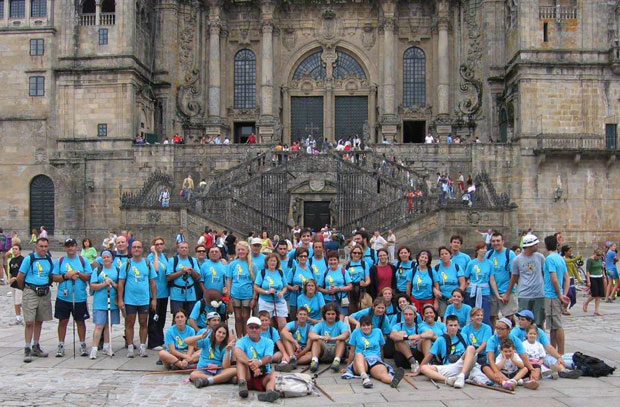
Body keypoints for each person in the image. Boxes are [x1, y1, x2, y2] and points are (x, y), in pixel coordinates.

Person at [417, 315, 488, 388]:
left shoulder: (464, 336)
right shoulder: (440, 339)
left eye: (455, 325)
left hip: (464, 363)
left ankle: (461, 376)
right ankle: (448, 380)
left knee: (471, 348)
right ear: (446, 326)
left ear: (458, 326)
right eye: (451, 325)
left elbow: (470, 352)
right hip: (451, 367)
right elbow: (429, 356)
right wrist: (418, 371)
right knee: (424, 368)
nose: (453, 328)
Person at [52, 238, 93, 357]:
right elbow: (54, 277)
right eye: (68, 246)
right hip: (63, 297)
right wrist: (66, 276)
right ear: (65, 248)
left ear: (76, 247)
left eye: (72, 245)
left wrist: (78, 274)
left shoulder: (83, 260)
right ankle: (61, 344)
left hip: (79, 296)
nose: (70, 248)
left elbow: (88, 276)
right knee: (63, 321)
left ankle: (82, 344)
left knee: (80, 321)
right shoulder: (60, 261)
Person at [510, 309, 581, 379]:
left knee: (550, 358)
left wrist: (558, 357)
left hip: (538, 355)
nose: (519, 321)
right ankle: (549, 374)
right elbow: (510, 343)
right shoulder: (516, 330)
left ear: (530, 321)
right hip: (524, 356)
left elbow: (548, 346)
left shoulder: (538, 331)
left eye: (522, 320)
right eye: (519, 319)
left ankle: (563, 371)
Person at [118, 240, 157, 358]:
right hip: (130, 299)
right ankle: (130, 347)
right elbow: (121, 283)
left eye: (139, 247)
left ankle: (142, 347)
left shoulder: (147, 263)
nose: (136, 249)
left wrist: (154, 299)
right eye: (134, 247)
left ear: (142, 249)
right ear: (131, 249)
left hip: (144, 299)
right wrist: (120, 299)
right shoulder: (126, 264)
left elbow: (153, 283)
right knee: (129, 323)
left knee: (143, 322)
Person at [344, 316, 405, 389]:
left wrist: (383, 362)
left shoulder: (378, 332)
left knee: (383, 374)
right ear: (360, 326)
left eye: (368, 325)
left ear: (371, 325)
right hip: (361, 361)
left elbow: (381, 349)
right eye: (363, 325)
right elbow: (352, 351)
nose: (366, 327)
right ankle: (365, 378)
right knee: (359, 355)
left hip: (375, 360)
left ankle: (392, 380)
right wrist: (347, 367)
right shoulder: (356, 332)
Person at [17, 237, 53, 362]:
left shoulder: (48, 259)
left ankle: (36, 345)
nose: (43, 249)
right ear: (36, 247)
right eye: (41, 246)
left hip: (44, 292)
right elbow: (20, 277)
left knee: (39, 320)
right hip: (31, 290)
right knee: (29, 321)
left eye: (45, 246)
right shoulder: (29, 258)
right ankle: (27, 347)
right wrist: (26, 290)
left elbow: (51, 275)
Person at [482, 317, 539, 386]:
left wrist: (532, 370)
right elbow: (490, 359)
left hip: (513, 368)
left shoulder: (515, 339)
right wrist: (496, 371)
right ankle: (504, 383)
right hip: (497, 367)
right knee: (485, 368)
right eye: (497, 328)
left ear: (508, 330)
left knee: (535, 366)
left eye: (502, 329)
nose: (498, 331)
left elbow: (524, 357)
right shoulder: (492, 340)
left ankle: (532, 381)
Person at [504, 234, 546, 326]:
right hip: (524, 294)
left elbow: (544, 274)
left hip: (539, 294)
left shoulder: (540, 257)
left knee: (539, 322)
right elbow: (514, 277)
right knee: (524, 322)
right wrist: (507, 294)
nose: (537, 246)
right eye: (535, 244)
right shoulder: (517, 260)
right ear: (529, 246)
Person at [234, 316, 280, 403]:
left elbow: (269, 357)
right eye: (251, 327)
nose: (254, 330)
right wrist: (253, 366)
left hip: (263, 374)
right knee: (240, 359)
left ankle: (269, 392)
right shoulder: (242, 341)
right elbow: (237, 351)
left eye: (256, 327)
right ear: (247, 329)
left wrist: (258, 363)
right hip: (247, 374)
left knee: (275, 374)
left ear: (261, 329)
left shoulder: (268, 341)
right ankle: (242, 382)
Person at [89, 250, 120, 358]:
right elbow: (93, 285)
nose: (106, 259)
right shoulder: (98, 270)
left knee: (109, 325)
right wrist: (103, 284)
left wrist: (112, 283)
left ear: (112, 259)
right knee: (99, 325)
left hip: (112, 301)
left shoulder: (116, 270)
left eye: (108, 257)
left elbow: (119, 286)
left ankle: (107, 346)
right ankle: (94, 348)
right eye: (104, 257)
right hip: (100, 302)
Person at [188, 322, 237, 388]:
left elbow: (226, 367)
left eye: (224, 333)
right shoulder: (206, 341)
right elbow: (187, 341)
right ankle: (221, 379)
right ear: (215, 332)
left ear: (226, 336)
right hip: (204, 370)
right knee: (193, 375)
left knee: (234, 370)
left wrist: (227, 351)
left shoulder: (226, 346)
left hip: (218, 370)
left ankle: (208, 381)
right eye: (219, 332)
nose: (221, 335)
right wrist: (200, 337)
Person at [543, 235, 570, 354]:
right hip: (557, 294)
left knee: (557, 325)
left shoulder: (549, 259)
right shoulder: (560, 258)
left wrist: (559, 295)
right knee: (553, 326)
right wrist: (565, 293)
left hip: (551, 295)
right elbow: (567, 278)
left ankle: (561, 353)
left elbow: (554, 279)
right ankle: (553, 351)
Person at [308, 303, 350, 372]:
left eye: (333, 314)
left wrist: (332, 338)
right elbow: (311, 335)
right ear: (325, 315)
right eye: (328, 314)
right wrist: (322, 337)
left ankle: (336, 361)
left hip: (336, 349)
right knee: (316, 340)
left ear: (336, 315)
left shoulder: (340, 324)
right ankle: (314, 361)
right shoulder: (321, 324)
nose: (330, 316)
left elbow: (346, 334)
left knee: (341, 340)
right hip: (324, 350)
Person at [487, 232, 517, 327]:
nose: (496, 243)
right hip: (492, 292)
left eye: (498, 241)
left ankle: (510, 339)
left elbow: (514, 275)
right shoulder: (489, 254)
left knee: (508, 318)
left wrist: (508, 293)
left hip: (506, 291)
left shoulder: (510, 254)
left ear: (503, 241)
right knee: (492, 317)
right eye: (493, 241)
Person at [464, 242, 498, 326]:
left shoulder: (490, 263)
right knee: (471, 315)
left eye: (485, 248)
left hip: (484, 292)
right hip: (471, 291)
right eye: (482, 248)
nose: (484, 250)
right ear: (477, 251)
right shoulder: (471, 263)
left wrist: (497, 294)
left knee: (485, 317)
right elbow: (466, 277)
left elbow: (492, 279)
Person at [226, 241, 256, 337]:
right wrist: (228, 294)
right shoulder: (233, 264)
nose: (241, 252)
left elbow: (255, 283)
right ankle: (239, 337)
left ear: (247, 251)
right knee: (237, 317)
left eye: (243, 249)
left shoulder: (252, 265)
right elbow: (229, 280)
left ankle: (246, 336)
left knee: (245, 316)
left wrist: (254, 297)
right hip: (235, 293)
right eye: (239, 250)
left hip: (247, 294)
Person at [390, 304, 430, 373]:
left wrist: (419, 337)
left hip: (417, 354)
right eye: (406, 314)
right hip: (403, 358)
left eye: (410, 314)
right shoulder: (399, 325)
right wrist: (408, 337)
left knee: (426, 339)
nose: (408, 317)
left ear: (415, 316)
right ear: (403, 315)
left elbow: (431, 333)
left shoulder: (420, 326)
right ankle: (413, 362)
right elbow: (392, 335)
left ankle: (427, 363)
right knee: (400, 337)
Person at [166, 241, 202, 316]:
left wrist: (191, 270)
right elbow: (168, 277)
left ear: (188, 249)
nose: (184, 249)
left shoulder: (193, 260)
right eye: (182, 247)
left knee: (191, 316)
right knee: (177, 316)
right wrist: (181, 272)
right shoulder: (173, 260)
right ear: (178, 249)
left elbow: (198, 277)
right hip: (176, 294)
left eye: (186, 247)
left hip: (191, 294)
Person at [254, 253, 288, 329]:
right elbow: (256, 287)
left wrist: (282, 292)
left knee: (283, 324)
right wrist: (267, 292)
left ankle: (282, 339)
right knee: (268, 324)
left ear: (277, 262)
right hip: (265, 301)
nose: (273, 263)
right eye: (271, 261)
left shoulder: (280, 272)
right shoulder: (262, 272)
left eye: (274, 261)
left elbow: (285, 286)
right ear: (267, 262)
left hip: (279, 301)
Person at [147, 236, 169, 350]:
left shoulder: (165, 257)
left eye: (161, 244)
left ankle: (160, 339)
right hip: (154, 293)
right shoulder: (150, 257)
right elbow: (155, 269)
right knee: (153, 318)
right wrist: (155, 254)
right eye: (157, 244)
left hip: (164, 292)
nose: (159, 246)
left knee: (161, 318)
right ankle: (152, 342)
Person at [433, 246, 466, 317]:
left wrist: (456, 296)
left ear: (450, 255)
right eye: (442, 254)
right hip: (442, 298)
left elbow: (463, 283)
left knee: (456, 318)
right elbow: (433, 283)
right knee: (443, 318)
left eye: (446, 253)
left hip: (455, 298)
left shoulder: (457, 267)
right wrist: (435, 290)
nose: (444, 256)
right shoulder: (436, 268)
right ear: (440, 257)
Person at [320, 250, 353, 318]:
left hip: (341, 300)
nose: (333, 262)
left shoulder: (343, 271)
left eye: (334, 260)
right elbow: (318, 287)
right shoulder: (325, 272)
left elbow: (350, 286)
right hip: (328, 300)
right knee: (329, 319)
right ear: (328, 261)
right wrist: (327, 291)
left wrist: (338, 289)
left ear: (338, 261)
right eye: (330, 260)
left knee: (341, 320)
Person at [288, 247, 314, 316]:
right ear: (297, 257)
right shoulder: (293, 269)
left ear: (307, 257)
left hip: (308, 300)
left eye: (305, 256)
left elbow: (314, 284)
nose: (303, 258)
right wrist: (293, 288)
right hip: (295, 300)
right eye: (301, 256)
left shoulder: (311, 269)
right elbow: (287, 285)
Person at [346, 246, 371, 313]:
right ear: (351, 253)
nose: (357, 254)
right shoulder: (347, 264)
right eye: (355, 253)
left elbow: (368, 279)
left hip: (361, 289)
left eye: (359, 253)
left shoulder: (364, 264)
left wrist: (365, 283)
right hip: (350, 290)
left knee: (362, 309)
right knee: (351, 310)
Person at [583, 248, 606, 315]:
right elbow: (587, 271)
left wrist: (603, 274)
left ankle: (597, 310)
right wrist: (588, 281)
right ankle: (586, 303)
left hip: (600, 277)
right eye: (597, 256)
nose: (598, 257)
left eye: (600, 256)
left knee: (599, 294)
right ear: (594, 254)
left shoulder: (600, 259)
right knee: (594, 294)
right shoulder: (590, 260)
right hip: (593, 277)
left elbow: (601, 268)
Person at [8, 243, 25, 326]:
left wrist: (17, 278)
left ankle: (26, 316)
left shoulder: (22, 260)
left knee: (19, 302)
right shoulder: (12, 260)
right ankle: (18, 317)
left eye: (16, 249)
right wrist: (10, 279)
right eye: (13, 249)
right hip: (13, 284)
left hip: (20, 284)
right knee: (15, 302)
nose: (14, 250)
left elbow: (23, 272)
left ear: (19, 250)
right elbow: (11, 272)